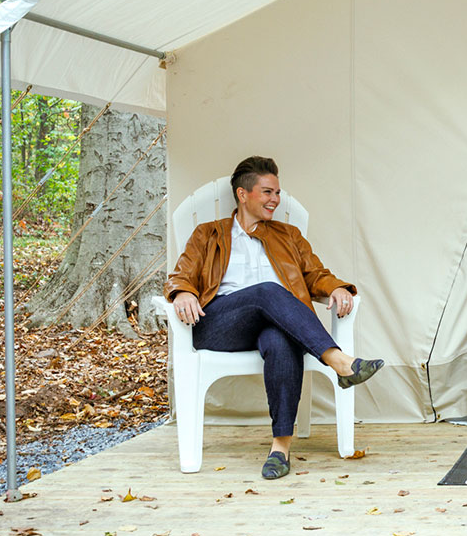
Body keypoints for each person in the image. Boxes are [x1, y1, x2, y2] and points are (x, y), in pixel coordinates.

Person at [164, 156, 384, 479]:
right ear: (242, 194)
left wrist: (336, 288)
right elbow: (181, 274)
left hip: (276, 320)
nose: (275, 200)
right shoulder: (207, 234)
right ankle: (338, 361)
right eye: (267, 192)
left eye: (278, 193)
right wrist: (182, 292)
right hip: (221, 323)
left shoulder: (289, 235)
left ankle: (280, 448)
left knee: (281, 340)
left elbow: (314, 274)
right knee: (266, 291)